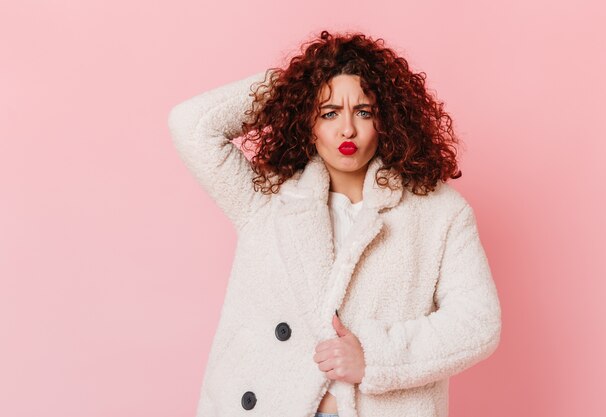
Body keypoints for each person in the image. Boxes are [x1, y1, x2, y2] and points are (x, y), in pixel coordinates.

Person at [168, 30, 502, 417]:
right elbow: (191, 126)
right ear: (306, 119)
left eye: (364, 111)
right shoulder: (267, 198)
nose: (347, 129)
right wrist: (297, 81)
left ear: (388, 118)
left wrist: (377, 358)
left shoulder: (438, 212)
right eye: (329, 113)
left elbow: (477, 322)